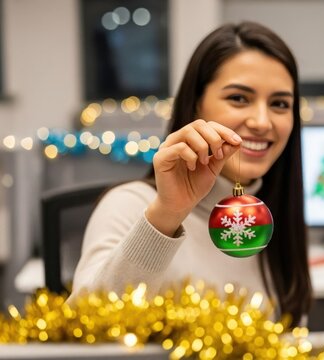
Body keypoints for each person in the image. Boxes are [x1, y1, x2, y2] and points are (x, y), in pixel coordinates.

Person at [70, 22, 311, 326]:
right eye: (239, 98)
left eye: (279, 104)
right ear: (196, 105)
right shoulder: (130, 206)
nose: (262, 121)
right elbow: (83, 329)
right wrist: (168, 214)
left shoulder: (275, 216)